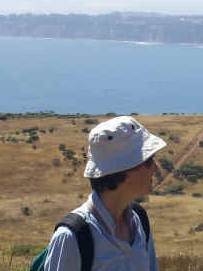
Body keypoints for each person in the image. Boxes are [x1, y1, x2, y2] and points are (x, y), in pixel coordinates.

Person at [44, 116, 166, 271]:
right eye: (148, 161)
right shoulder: (71, 237)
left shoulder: (140, 221)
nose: (155, 168)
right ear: (125, 171)